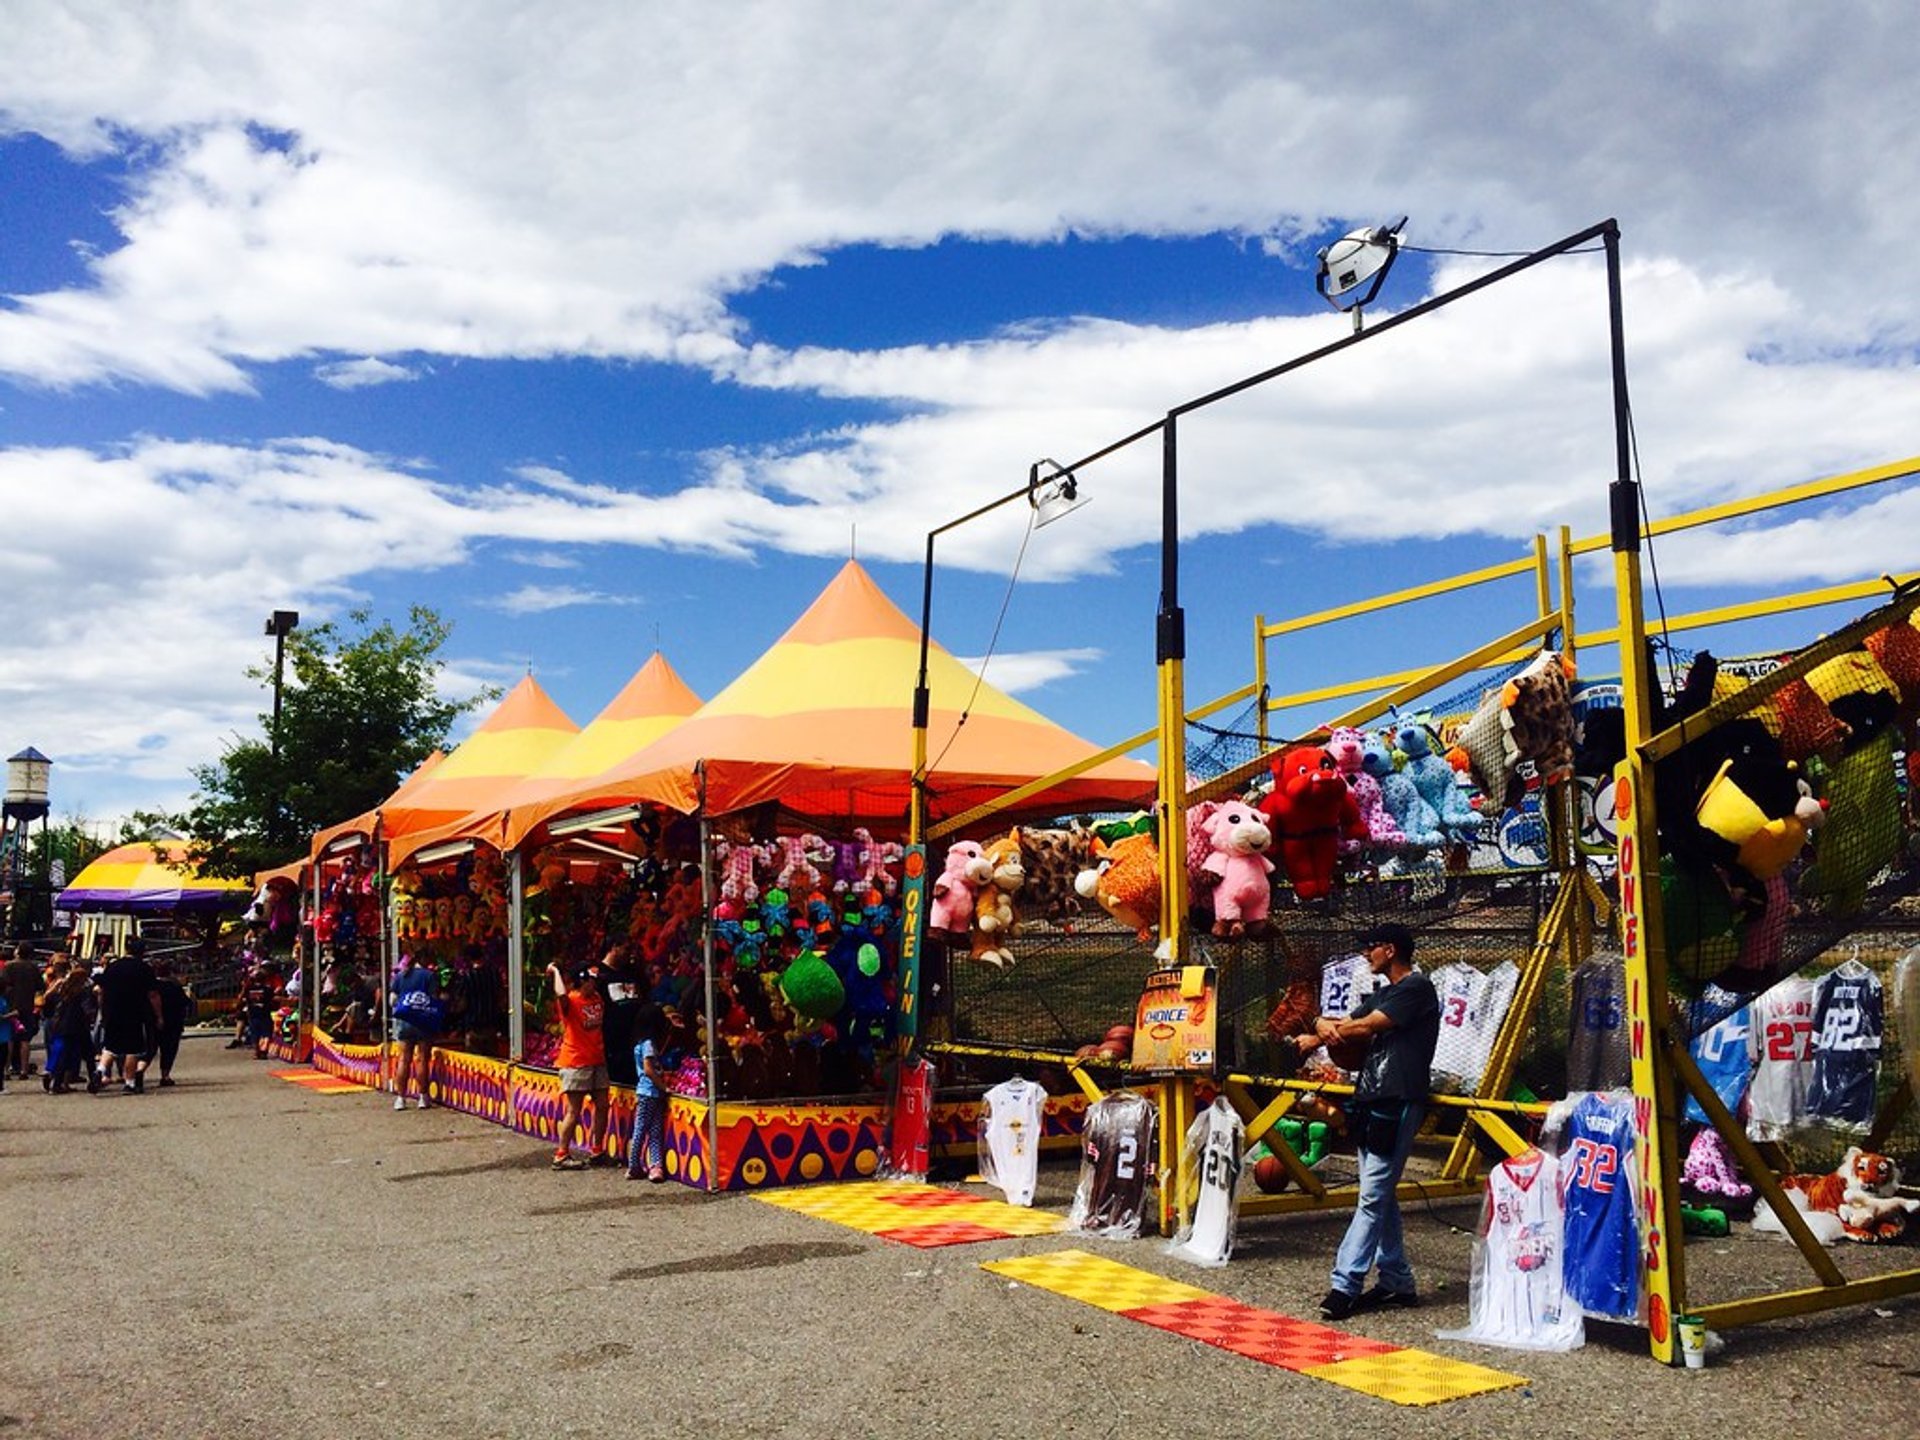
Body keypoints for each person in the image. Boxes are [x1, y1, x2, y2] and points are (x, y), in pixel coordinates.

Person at [1297, 922, 1439, 1321]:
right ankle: (1397, 1282)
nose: (1365, 955)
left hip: (1399, 1097)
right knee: (1381, 1194)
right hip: (1372, 1095)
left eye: (1370, 948)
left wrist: (1321, 1036)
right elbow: (1339, 1022)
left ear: (1390, 950)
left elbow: (1366, 1026)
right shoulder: (1385, 992)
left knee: (1373, 1196)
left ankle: (1345, 1283)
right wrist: (1322, 1028)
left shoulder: (1416, 988)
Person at [546, 960, 611, 1170]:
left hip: (597, 1060)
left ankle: (597, 1150)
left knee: (602, 1105)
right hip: (575, 1062)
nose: (595, 984)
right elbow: (560, 995)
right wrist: (556, 971)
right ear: (582, 981)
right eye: (591, 980)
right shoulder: (571, 1001)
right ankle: (561, 1154)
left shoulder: (598, 998)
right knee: (574, 1110)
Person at [95, 939, 162, 1095]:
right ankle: (130, 1082)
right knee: (132, 1049)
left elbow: (101, 990)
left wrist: (103, 1010)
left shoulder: (113, 966)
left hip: (112, 1011)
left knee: (110, 1047)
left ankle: (100, 1070)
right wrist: (158, 1016)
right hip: (134, 1012)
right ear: (142, 952)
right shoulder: (144, 968)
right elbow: (153, 994)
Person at [390, 952, 441, 1110]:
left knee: (404, 1059)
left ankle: (400, 1099)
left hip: (404, 1022)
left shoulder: (401, 976)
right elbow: (435, 998)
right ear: (424, 960)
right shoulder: (430, 976)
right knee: (422, 1059)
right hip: (423, 1022)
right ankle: (423, 1097)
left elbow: (392, 1000)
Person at [625, 1004, 670, 1182]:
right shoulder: (649, 1044)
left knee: (652, 1129)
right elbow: (649, 1069)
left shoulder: (639, 1042)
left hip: (648, 1092)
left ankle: (654, 1166)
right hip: (649, 1091)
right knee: (644, 1129)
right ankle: (635, 1165)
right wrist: (663, 1087)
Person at [596, 945, 641, 1087]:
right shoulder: (598, 974)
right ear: (614, 948)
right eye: (626, 949)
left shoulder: (631, 973)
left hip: (633, 1039)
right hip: (610, 1042)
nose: (629, 954)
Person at [4, 943, 41, 1079]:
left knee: (9, 1039)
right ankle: (24, 1070)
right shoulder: (33, 967)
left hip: (10, 1006)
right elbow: (39, 985)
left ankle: (6, 1070)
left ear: (18, 951)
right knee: (25, 1040)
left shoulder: (9, 966)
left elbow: (3, 984)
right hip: (27, 1006)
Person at [152, 961, 191, 1087]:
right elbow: (186, 1003)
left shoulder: (152, 986)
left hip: (153, 1021)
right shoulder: (174, 986)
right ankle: (165, 1075)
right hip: (173, 1022)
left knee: (151, 1048)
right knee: (169, 1049)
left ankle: (139, 1069)